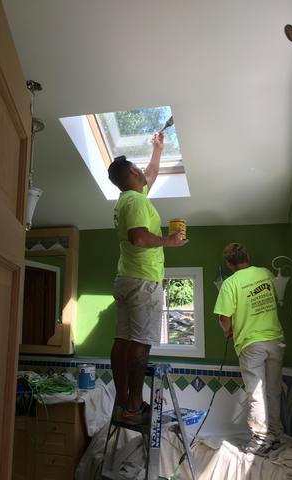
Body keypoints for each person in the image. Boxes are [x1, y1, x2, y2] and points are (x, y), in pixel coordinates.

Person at [107, 132, 188, 425]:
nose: (145, 171)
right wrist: (171, 241)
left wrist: (157, 148)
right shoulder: (137, 203)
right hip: (143, 282)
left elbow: (151, 173)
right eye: (139, 168)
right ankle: (134, 403)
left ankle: (121, 397)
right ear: (131, 172)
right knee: (140, 344)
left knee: (123, 340)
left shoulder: (128, 199)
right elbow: (138, 238)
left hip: (127, 279)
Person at [214, 243, 285, 455]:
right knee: (272, 391)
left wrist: (228, 331)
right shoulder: (265, 273)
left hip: (251, 344)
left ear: (229, 264)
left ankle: (261, 440)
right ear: (248, 256)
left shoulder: (230, 283)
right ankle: (276, 435)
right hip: (276, 340)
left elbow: (224, 317)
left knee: (256, 392)